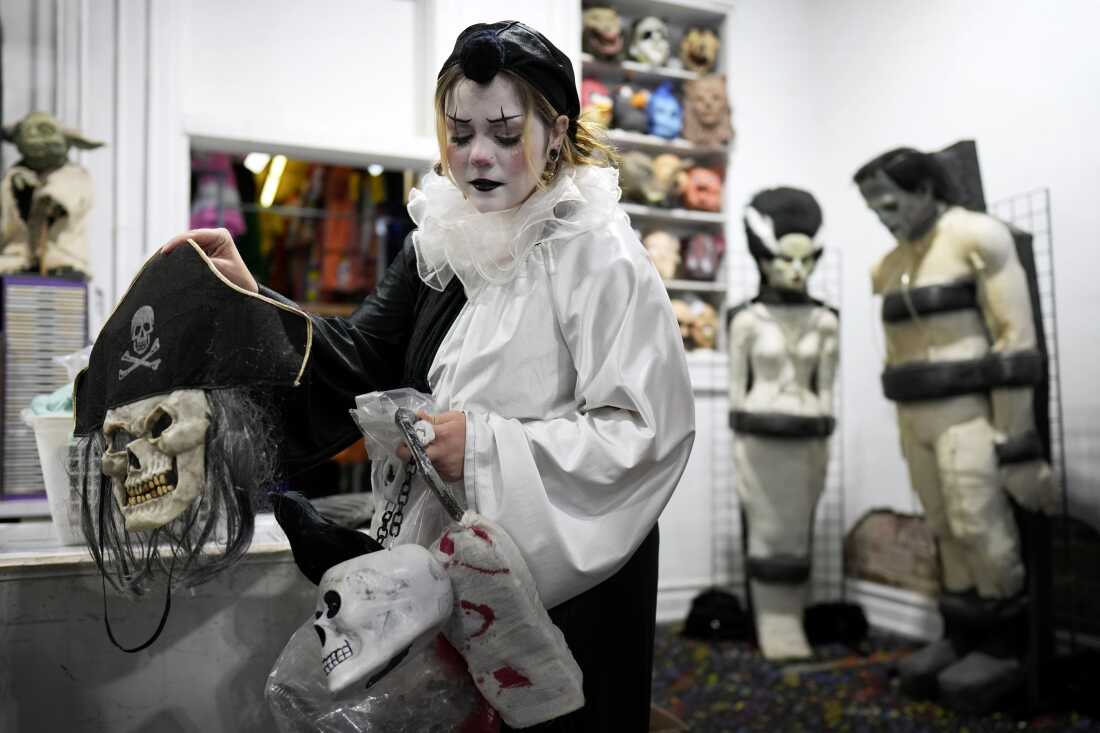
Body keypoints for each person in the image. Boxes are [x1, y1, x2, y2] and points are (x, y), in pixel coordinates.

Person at [164, 20, 694, 731]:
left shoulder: (599, 255)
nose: (478, 157)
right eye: (459, 132)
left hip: (571, 573)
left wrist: (483, 445)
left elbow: (643, 431)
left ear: (557, 132)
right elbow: (355, 356)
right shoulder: (444, 241)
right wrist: (249, 303)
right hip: (448, 552)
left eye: (506, 134)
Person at [854, 144, 1054, 709]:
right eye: (874, 209)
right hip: (915, 416)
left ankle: (1006, 646)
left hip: (968, 413)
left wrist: (1016, 442)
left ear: (924, 190)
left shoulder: (977, 237)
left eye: (891, 204)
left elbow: (1016, 342)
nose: (884, 218)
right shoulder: (890, 264)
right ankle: (962, 634)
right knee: (942, 524)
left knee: (979, 523)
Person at [728, 187, 838, 660]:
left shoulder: (826, 321)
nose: (796, 271)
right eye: (784, 260)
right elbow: (736, 389)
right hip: (760, 441)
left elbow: (827, 389)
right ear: (763, 259)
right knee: (769, 528)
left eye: (805, 260)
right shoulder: (746, 320)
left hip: (810, 440)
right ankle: (773, 620)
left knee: (798, 527)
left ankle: (794, 617)